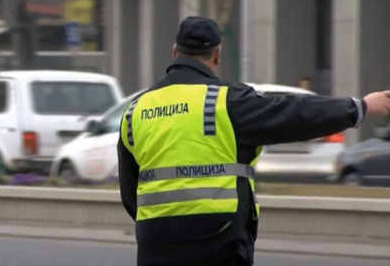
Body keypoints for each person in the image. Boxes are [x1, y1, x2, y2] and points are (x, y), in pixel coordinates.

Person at [117, 16, 390, 266]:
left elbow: (130, 189)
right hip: (218, 237)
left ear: (174, 52)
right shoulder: (223, 100)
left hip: (155, 239)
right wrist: (360, 107)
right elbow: (295, 114)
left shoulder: (136, 109)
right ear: (217, 55)